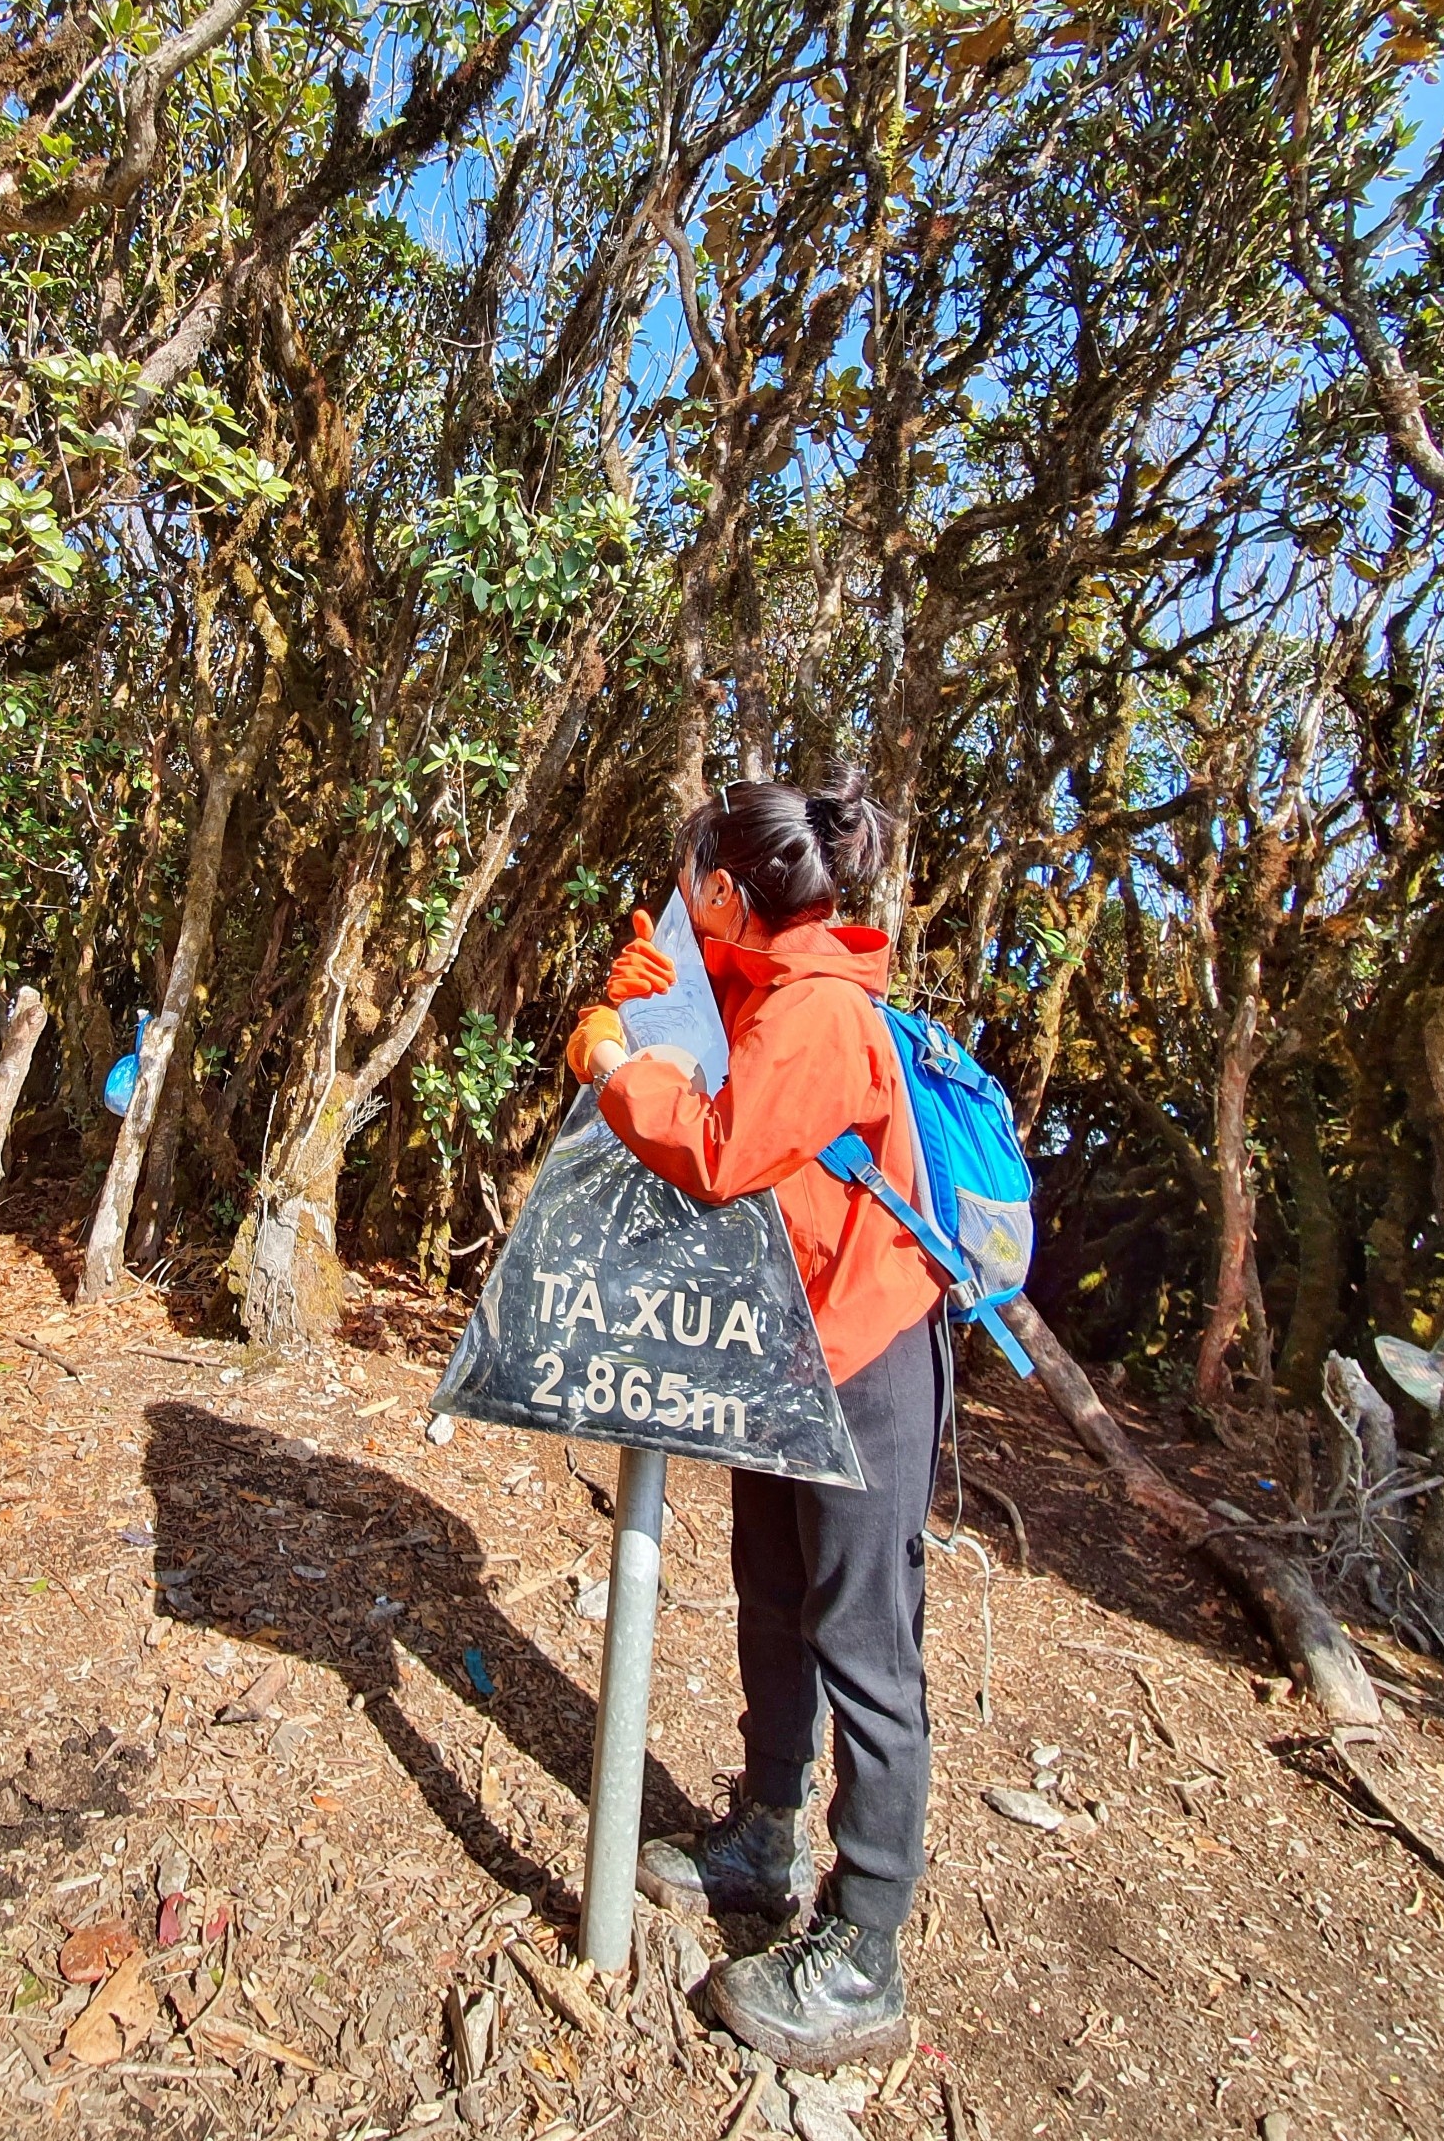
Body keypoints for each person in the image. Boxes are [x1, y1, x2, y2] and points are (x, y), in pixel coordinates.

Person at [562, 770, 946, 2072]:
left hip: (871, 1357)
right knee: (773, 1596)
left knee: (866, 1642)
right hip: (796, 1345)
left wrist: (617, 1069)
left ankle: (867, 1948)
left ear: (735, 892)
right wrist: (641, 976)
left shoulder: (824, 1013)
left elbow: (719, 1142)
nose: (681, 898)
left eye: (692, 883)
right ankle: (761, 1834)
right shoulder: (770, 973)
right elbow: (700, 1007)